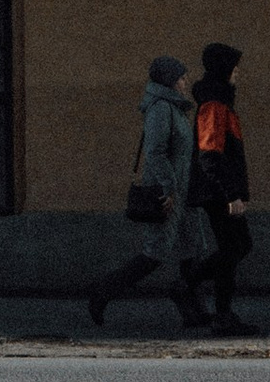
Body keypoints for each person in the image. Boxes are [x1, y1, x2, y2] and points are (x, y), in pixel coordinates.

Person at [85, 55, 204, 329]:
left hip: (185, 194)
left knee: (192, 249)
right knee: (155, 254)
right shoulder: (161, 109)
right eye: (181, 78)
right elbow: (155, 152)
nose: (185, 82)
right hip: (168, 193)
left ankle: (194, 310)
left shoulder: (176, 108)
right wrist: (169, 188)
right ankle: (102, 291)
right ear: (169, 81)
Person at [180, 38, 255, 333]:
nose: (238, 72)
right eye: (235, 67)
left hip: (221, 191)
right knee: (233, 248)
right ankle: (219, 312)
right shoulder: (213, 104)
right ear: (224, 68)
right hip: (218, 192)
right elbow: (210, 155)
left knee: (237, 247)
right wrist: (231, 194)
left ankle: (192, 288)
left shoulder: (221, 100)